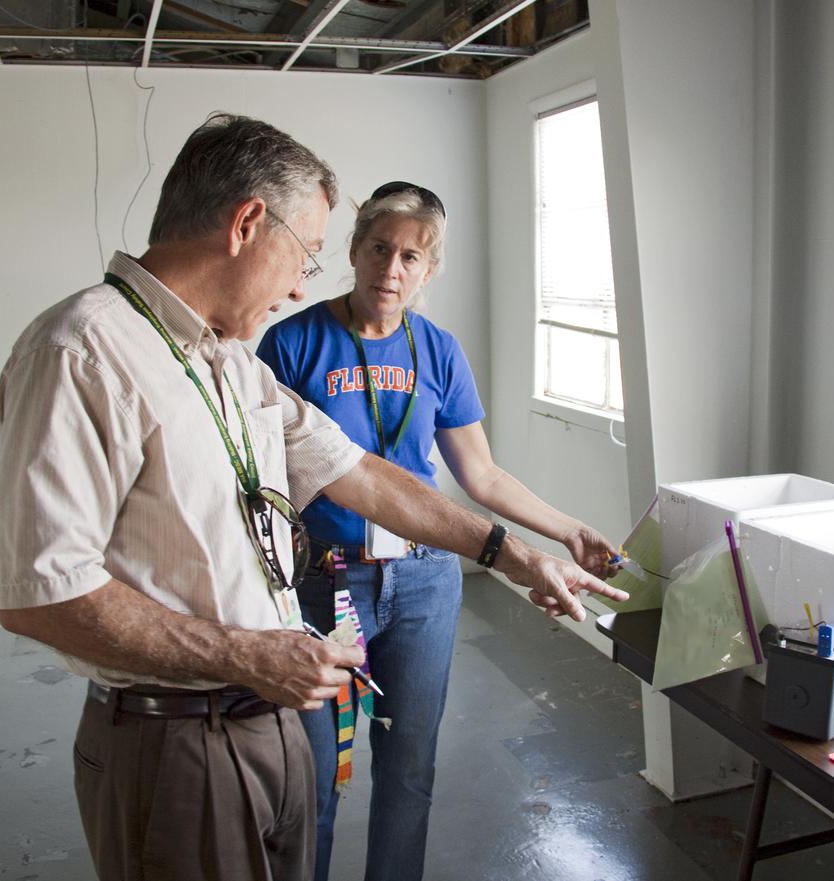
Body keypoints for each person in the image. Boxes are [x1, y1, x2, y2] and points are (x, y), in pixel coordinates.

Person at [0, 115, 628, 881]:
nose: (300, 283)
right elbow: (40, 594)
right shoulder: (83, 351)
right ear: (247, 223)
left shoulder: (226, 358)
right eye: (306, 254)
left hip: (267, 711)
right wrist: (247, 653)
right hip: (182, 735)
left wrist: (519, 555)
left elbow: (357, 471)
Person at [255, 181, 622, 881]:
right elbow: (264, 478)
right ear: (356, 249)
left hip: (424, 582)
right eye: (379, 249)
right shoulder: (294, 342)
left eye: (411, 258)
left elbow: (480, 476)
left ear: (430, 269)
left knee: (409, 766)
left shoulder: (439, 352)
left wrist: (567, 529)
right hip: (328, 583)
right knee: (313, 777)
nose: (391, 270)